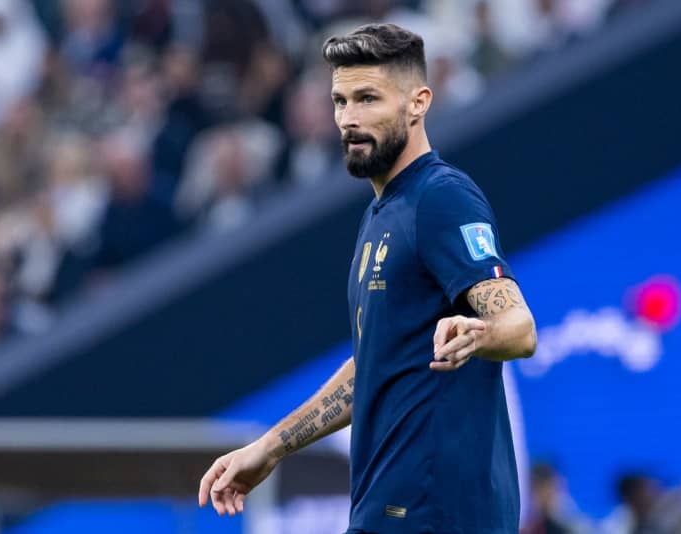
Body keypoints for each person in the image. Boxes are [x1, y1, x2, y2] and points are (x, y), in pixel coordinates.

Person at [198, 23, 537, 534]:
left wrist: (479, 333)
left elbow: (519, 325)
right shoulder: (382, 215)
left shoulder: (441, 198)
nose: (349, 119)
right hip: (389, 509)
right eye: (340, 101)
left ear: (418, 103)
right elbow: (376, 365)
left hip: (437, 513)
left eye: (367, 99)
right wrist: (269, 447)